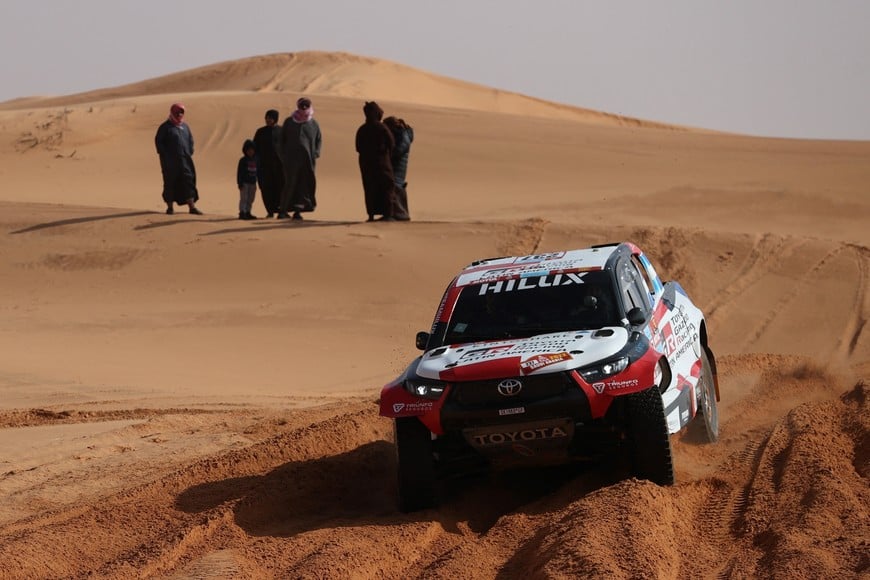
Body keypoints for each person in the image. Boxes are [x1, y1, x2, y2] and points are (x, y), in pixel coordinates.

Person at [277, 97, 321, 220]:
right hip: (290, 161)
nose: (304, 108)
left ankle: (298, 211)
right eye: (302, 105)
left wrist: (316, 153)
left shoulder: (313, 123)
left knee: (303, 185)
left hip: (307, 161)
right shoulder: (289, 122)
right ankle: (283, 210)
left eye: (306, 105)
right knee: (290, 184)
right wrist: (283, 156)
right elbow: (281, 141)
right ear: (298, 106)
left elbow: (318, 140)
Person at [154, 103, 203, 215]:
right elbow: (158, 142)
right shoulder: (165, 127)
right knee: (170, 183)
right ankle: (170, 208)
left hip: (185, 161)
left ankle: (192, 207)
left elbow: (190, 140)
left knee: (188, 181)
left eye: (182, 112)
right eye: (177, 112)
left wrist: (189, 151)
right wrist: (166, 155)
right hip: (170, 163)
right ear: (172, 112)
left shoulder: (185, 127)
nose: (180, 114)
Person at [355, 101, 397, 221]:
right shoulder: (382, 127)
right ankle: (388, 214)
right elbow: (392, 143)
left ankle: (371, 215)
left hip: (366, 164)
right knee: (387, 185)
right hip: (382, 162)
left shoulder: (362, 129)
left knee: (370, 187)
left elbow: (358, 147)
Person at [252, 109, 284, 218]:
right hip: (264, 166)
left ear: (275, 119)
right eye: (266, 117)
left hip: (279, 166)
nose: (267, 120)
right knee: (266, 189)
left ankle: (282, 210)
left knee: (281, 188)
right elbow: (254, 148)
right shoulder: (260, 132)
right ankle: (270, 211)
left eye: (270, 118)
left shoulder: (282, 131)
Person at [383, 116, 413, 221]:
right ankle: (397, 214)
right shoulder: (401, 135)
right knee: (395, 187)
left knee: (396, 188)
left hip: (398, 167)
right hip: (396, 166)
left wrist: (386, 154)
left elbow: (398, 151)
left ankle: (401, 214)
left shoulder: (403, 136)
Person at [237, 139, 258, 220]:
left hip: (253, 182)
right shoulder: (243, 161)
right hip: (245, 183)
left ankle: (248, 212)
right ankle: (242, 212)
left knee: (251, 198)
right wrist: (240, 183)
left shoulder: (256, 160)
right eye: (248, 150)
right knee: (244, 198)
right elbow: (239, 173)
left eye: (252, 150)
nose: (250, 152)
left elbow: (258, 171)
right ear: (245, 151)